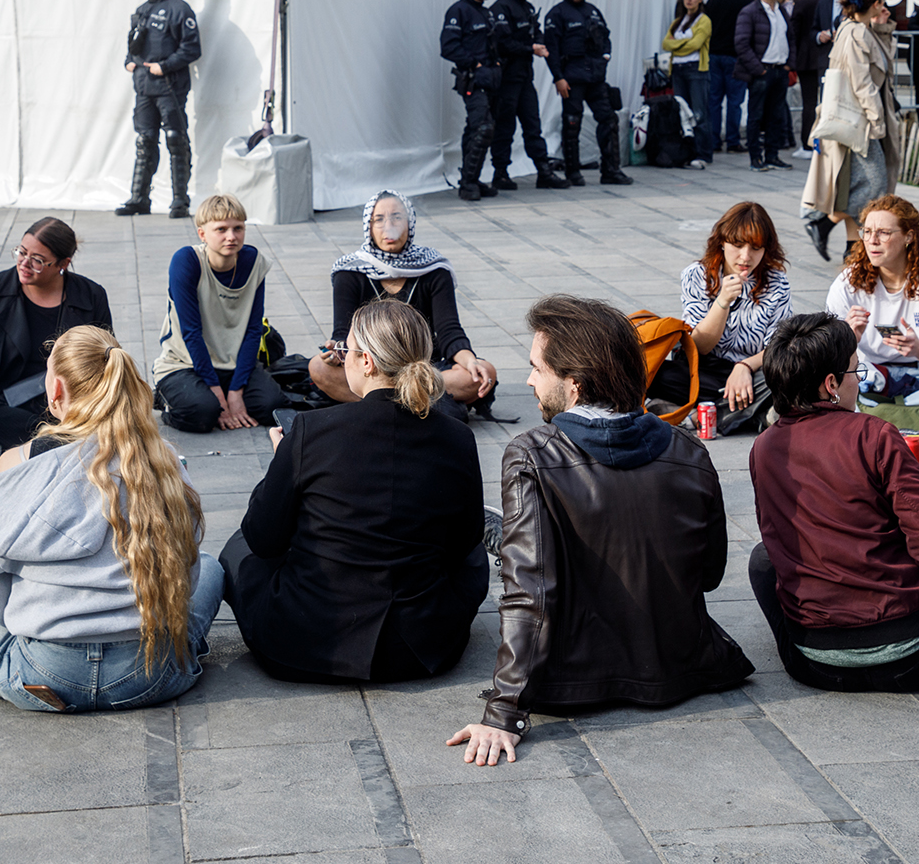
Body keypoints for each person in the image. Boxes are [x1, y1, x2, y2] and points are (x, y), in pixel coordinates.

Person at [447, 296, 753, 765]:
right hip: (681, 669)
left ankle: (505, 533)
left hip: (572, 682)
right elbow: (709, 572)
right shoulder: (688, 448)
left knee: (517, 548)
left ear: (574, 384)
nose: (528, 380)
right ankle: (509, 533)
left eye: (536, 368)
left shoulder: (531, 452)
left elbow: (531, 591)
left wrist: (503, 711)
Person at [0, 326, 221, 713]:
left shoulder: (17, 463)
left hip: (41, 674)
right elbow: (187, 574)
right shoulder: (162, 461)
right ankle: (185, 652)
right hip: (150, 674)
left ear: (56, 390)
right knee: (209, 566)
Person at [224, 300, 489, 683]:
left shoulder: (310, 432)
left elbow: (263, 539)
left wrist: (283, 463)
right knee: (475, 554)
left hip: (308, 646)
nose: (342, 358)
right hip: (423, 649)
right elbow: (464, 541)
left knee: (240, 546)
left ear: (366, 361)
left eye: (346, 350)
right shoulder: (457, 436)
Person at [750, 313, 919, 692]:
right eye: (857, 372)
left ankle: (811, 639)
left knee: (763, 559)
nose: (860, 380)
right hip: (912, 661)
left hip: (812, 665)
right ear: (832, 384)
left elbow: (777, 538)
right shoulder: (874, 434)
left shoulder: (764, 446)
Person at [0, 217, 113, 457]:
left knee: (94, 416)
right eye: (21, 252)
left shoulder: (90, 296)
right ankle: (62, 442)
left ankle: (34, 444)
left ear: (63, 264)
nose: (24, 263)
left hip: (64, 401)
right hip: (2, 403)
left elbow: (105, 359)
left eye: (37, 260)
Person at [310, 190, 500, 416]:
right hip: (372, 369)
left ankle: (379, 405)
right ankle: (419, 404)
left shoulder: (434, 269)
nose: (388, 226)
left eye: (397, 217)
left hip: (421, 369)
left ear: (410, 224)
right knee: (318, 367)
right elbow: (343, 333)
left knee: (482, 371)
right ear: (368, 227)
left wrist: (470, 360)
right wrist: (336, 351)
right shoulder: (350, 272)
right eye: (379, 219)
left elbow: (449, 330)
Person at [826, 195, 919, 449]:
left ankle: (873, 424)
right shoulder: (848, 282)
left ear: (909, 236)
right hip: (869, 375)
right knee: (832, 389)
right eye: (866, 231)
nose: (872, 241)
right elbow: (832, 363)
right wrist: (849, 340)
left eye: (884, 233)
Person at [150, 195, 289, 433]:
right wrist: (218, 395)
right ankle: (164, 398)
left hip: (233, 363)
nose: (231, 237)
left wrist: (236, 391)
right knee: (202, 414)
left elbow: (253, 329)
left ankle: (223, 391)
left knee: (272, 408)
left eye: (238, 228)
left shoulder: (254, 262)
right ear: (202, 234)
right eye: (221, 230)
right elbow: (191, 332)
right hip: (185, 363)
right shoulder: (187, 261)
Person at [652, 201, 792, 427]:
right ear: (722, 243)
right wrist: (722, 302)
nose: (745, 256)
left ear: (766, 249)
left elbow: (778, 347)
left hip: (754, 373)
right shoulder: (698, 275)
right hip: (705, 372)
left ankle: (700, 415)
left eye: (755, 248)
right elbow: (698, 346)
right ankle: (748, 415)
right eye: (738, 245)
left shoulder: (776, 282)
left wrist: (744, 367)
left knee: (788, 377)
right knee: (657, 375)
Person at [799, 0, 898, 262]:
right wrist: (876, 120)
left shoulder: (854, 27)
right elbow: (861, 81)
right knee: (876, 185)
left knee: (854, 184)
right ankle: (823, 222)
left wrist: (882, 27)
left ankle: (852, 248)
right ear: (877, 3)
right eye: (883, 3)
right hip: (860, 122)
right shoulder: (856, 33)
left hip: (857, 121)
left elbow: (881, 60)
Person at [116, 0, 202, 218]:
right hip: (144, 88)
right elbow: (136, 45)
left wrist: (164, 65)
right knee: (145, 141)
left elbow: (192, 48)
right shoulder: (142, 11)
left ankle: (179, 201)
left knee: (176, 140)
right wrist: (129, 61)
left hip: (169, 88)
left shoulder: (180, 9)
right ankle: (139, 199)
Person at [542, 0, 630, 186]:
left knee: (609, 119)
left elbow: (606, 36)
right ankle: (573, 172)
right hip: (571, 77)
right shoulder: (557, 13)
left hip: (596, 77)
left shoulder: (593, 11)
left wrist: (606, 56)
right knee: (572, 124)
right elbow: (551, 49)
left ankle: (611, 170)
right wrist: (557, 77)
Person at [488, 0, 570, 191]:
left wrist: (542, 44)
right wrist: (530, 49)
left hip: (524, 79)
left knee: (533, 125)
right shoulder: (501, 9)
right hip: (506, 80)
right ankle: (500, 174)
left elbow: (536, 32)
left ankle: (544, 172)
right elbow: (503, 44)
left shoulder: (527, 8)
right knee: (505, 127)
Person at [441, 0, 505, 202]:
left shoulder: (486, 13)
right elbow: (448, 47)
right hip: (472, 81)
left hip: (491, 81)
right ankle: (467, 184)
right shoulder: (459, 11)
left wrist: (496, 64)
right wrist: (473, 64)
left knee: (478, 130)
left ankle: (472, 177)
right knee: (482, 128)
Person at [735, 0, 792, 170]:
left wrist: (788, 64)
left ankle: (772, 155)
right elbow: (741, 44)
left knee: (776, 116)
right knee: (756, 115)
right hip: (762, 70)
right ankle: (755, 158)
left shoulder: (781, 11)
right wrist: (758, 69)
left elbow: (790, 38)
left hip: (779, 69)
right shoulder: (750, 12)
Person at [663, 0, 715, 162]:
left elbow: (696, 44)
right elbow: (665, 44)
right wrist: (682, 45)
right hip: (677, 69)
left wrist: (676, 46)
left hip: (696, 69)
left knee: (699, 113)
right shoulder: (678, 21)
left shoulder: (704, 20)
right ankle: (687, 151)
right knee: (683, 112)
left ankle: (703, 153)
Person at [788, 0, 839, 145]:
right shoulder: (825, 2)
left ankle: (807, 142)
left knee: (809, 103)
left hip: (809, 57)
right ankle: (817, 141)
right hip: (818, 56)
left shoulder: (803, 2)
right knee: (823, 102)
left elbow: (793, 31)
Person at [705, 0, 752, 153]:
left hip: (714, 55)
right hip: (735, 56)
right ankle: (733, 141)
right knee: (735, 101)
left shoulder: (713, 1)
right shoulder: (746, 2)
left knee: (714, 100)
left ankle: (714, 140)